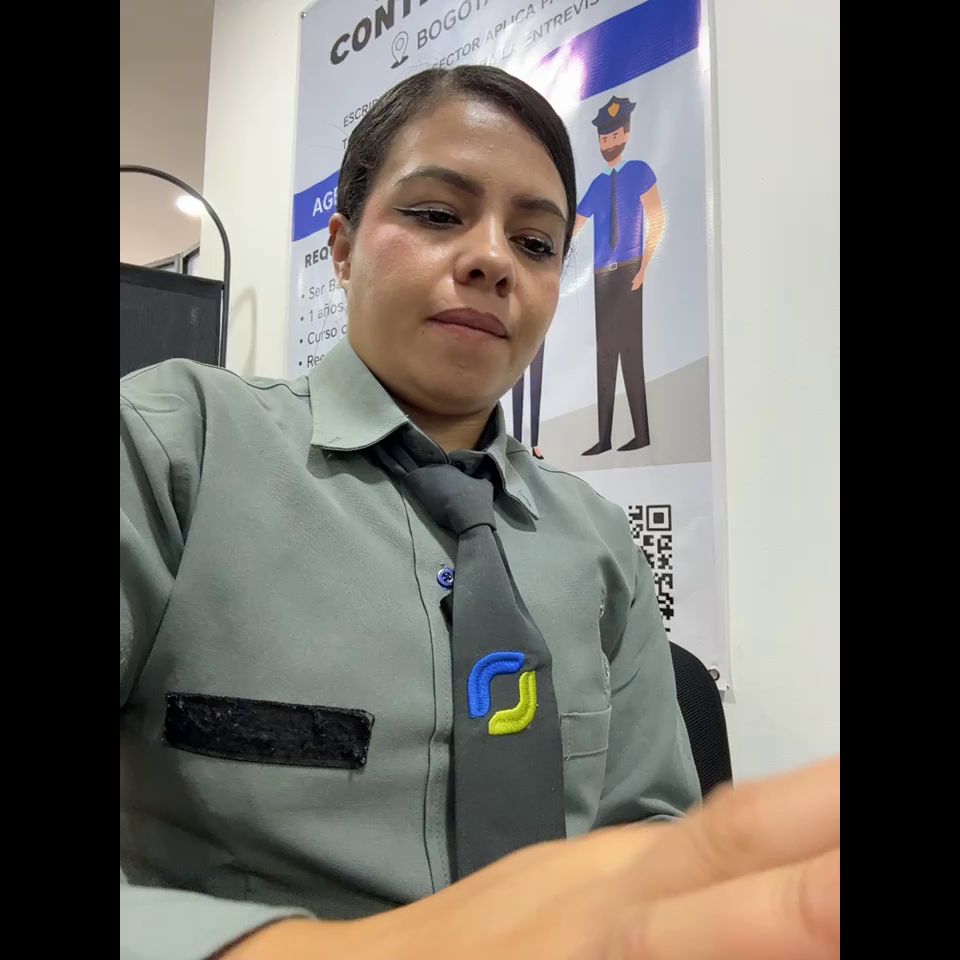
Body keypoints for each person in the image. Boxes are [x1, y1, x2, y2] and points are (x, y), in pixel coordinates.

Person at [120, 65, 839, 960]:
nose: (493, 259)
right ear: (341, 249)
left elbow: (649, 831)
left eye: (535, 243)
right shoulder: (173, 449)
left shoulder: (597, 544)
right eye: (435, 214)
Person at [574, 95, 666, 455]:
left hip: (629, 270)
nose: (608, 144)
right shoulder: (598, 184)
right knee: (605, 356)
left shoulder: (639, 171)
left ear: (626, 134)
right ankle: (604, 437)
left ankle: (641, 433)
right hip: (602, 275)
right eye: (603, 138)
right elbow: (575, 226)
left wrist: (644, 267)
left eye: (613, 136)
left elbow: (656, 217)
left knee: (631, 352)